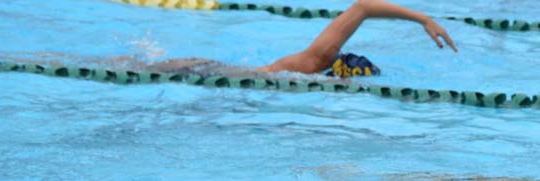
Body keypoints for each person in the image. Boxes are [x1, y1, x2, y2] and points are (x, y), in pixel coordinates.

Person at [151, 0, 456, 77]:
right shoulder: (316, 60)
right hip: (201, 70)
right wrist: (423, 19)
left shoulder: (316, 72)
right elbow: (363, 6)